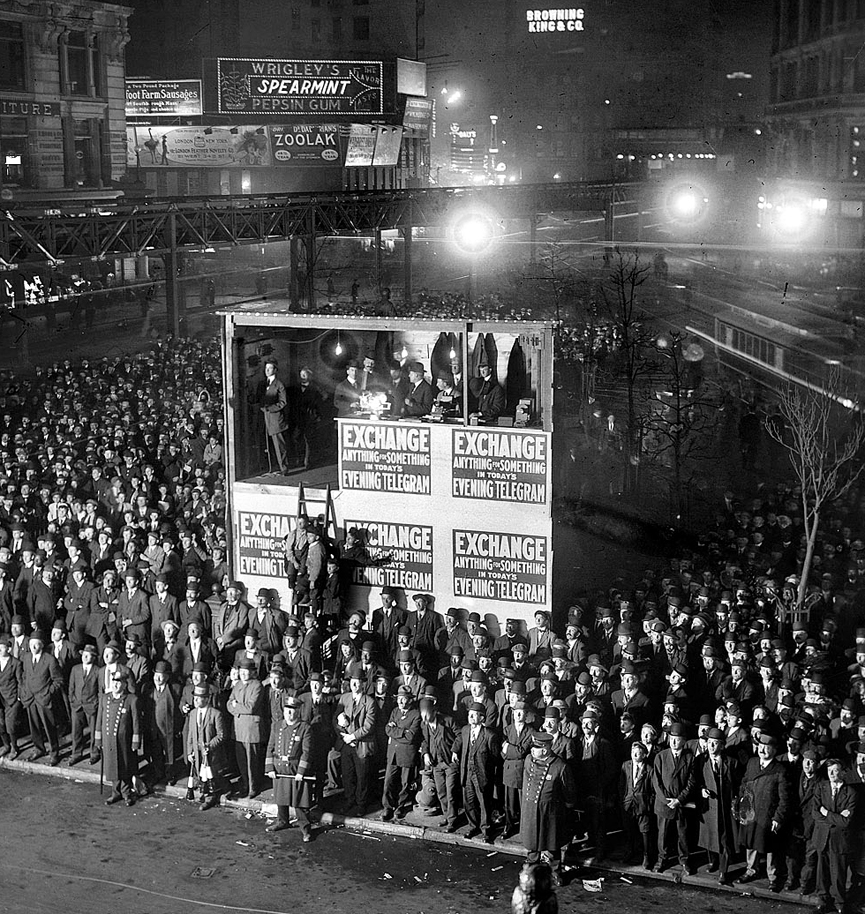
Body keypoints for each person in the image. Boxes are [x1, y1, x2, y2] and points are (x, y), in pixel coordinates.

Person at [737, 732, 789, 890]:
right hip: (751, 813)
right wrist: (742, 801)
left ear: (774, 750)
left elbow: (784, 799)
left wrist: (778, 818)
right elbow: (744, 783)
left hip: (768, 817)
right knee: (751, 843)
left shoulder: (780, 769)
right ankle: (751, 870)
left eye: (767, 747)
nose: (763, 750)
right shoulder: (752, 763)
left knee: (770, 847)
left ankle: (772, 876)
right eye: (761, 746)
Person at [520, 730, 577, 875]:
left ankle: (555, 871)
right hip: (531, 809)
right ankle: (531, 867)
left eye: (536, 748)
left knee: (552, 843)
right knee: (532, 842)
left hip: (550, 811)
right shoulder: (528, 760)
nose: (532, 750)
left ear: (545, 749)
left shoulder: (559, 766)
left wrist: (568, 805)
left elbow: (568, 790)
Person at [265, 692, 316, 841]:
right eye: (287, 709)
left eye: (292, 709)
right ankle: (282, 821)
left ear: (298, 711)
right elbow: (270, 747)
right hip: (279, 767)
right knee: (281, 797)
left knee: (299, 801)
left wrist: (301, 771)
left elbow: (307, 752)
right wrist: (269, 768)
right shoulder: (277, 725)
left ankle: (305, 828)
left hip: (295, 769)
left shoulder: (304, 728)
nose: (289, 712)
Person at [695, 726, 740, 884]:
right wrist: (701, 790)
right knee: (709, 836)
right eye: (709, 742)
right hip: (708, 807)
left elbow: (738, 784)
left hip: (725, 807)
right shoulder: (701, 760)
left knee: (724, 839)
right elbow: (696, 781)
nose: (711, 746)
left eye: (715, 743)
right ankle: (712, 861)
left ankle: (723, 870)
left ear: (722, 745)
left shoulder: (731, 763)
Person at [811, 758, 856, 914]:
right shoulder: (820, 787)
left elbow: (846, 821)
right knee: (821, 872)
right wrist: (835, 817)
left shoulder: (850, 792)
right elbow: (815, 813)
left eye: (835, 770)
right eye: (829, 770)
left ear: (842, 772)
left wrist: (827, 813)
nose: (831, 773)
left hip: (839, 839)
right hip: (822, 836)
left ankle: (839, 904)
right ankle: (822, 901)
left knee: (838, 872)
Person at [453, 700, 500, 842]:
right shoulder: (466, 730)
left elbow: (495, 757)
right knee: (469, 801)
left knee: (484, 802)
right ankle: (473, 826)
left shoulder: (489, 735)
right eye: (470, 714)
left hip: (482, 774)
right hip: (467, 772)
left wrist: (488, 772)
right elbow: (460, 740)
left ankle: (486, 829)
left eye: (474, 715)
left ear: (482, 718)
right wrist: (455, 751)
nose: (471, 717)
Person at [653, 720, 696, 874]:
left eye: (677, 739)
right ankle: (662, 860)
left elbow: (691, 782)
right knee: (663, 835)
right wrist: (666, 800)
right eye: (672, 739)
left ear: (684, 741)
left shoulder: (690, 758)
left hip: (680, 804)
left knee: (683, 834)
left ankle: (684, 860)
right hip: (664, 804)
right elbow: (656, 781)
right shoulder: (661, 756)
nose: (674, 742)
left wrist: (679, 800)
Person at [334, 661, 377, 815]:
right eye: (352, 682)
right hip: (346, 744)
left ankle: (361, 804)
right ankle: (349, 800)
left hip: (362, 745)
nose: (355, 685)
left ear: (363, 684)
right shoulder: (344, 698)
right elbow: (335, 719)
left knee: (362, 777)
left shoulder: (370, 702)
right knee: (347, 775)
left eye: (358, 682)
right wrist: (341, 728)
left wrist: (352, 736)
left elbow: (368, 726)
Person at [95, 667, 141, 806]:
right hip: (109, 740)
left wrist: (135, 742)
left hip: (124, 741)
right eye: (113, 682)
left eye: (119, 682)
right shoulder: (105, 698)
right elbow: (99, 720)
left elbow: (136, 722)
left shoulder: (131, 699)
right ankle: (115, 793)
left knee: (125, 766)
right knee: (112, 766)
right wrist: (98, 739)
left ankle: (126, 793)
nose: (115, 685)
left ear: (125, 684)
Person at [20, 629, 64, 765]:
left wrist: (48, 693)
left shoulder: (50, 660)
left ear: (42, 645)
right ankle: (39, 749)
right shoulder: (26, 657)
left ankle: (54, 753)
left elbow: (59, 681)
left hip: (44, 699)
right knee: (34, 727)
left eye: (36, 644)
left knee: (49, 727)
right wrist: (24, 691)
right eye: (31, 644)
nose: (33, 647)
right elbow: (24, 676)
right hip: (30, 698)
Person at [381, 684, 422, 821]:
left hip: (407, 754)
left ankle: (400, 808)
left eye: (403, 699)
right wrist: (403, 732)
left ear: (410, 700)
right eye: (399, 699)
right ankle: (387, 807)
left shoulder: (416, 714)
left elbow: (411, 737)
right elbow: (387, 729)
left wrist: (396, 731)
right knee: (388, 781)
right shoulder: (395, 711)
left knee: (405, 783)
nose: (400, 702)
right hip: (392, 753)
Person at [186, 683, 228, 811]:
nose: (196, 700)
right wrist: (189, 751)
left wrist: (209, 746)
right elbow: (190, 734)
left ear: (207, 699)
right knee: (200, 772)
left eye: (199, 698)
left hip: (211, 753)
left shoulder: (216, 714)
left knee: (212, 774)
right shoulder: (193, 714)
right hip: (198, 753)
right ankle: (204, 792)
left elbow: (221, 735)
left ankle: (211, 796)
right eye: (195, 698)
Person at [620, 737, 655, 868]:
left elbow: (653, 790)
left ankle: (646, 856)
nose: (634, 755)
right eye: (632, 752)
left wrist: (648, 803)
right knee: (629, 829)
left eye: (638, 752)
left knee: (644, 830)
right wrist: (623, 800)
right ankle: (630, 851)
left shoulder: (649, 769)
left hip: (642, 804)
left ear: (644, 754)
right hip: (628, 803)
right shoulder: (626, 765)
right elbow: (621, 785)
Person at [68, 640, 101, 765]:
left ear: (93, 658)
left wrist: (95, 703)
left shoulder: (97, 671)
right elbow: (71, 686)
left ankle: (94, 753)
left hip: (91, 705)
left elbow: (99, 689)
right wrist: (72, 700)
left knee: (94, 731)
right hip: (77, 705)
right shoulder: (75, 669)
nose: (85, 658)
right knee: (76, 732)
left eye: (89, 655)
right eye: (84, 655)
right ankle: (76, 754)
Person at [257, 360, 291, 474]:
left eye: (270, 368)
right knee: (265, 443)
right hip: (264, 418)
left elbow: (283, 402)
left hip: (275, 419)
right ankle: (269, 467)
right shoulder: (262, 384)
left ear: (275, 370)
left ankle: (284, 468)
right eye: (266, 368)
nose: (267, 371)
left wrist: (270, 408)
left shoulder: (279, 385)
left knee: (279, 445)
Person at [0, 633, 23, 758]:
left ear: (8, 649)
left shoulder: (16, 663)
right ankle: (6, 745)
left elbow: (20, 681)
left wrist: (18, 697)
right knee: (0, 724)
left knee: (10, 725)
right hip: (0, 698)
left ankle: (14, 747)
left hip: (11, 698)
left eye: (2, 647)